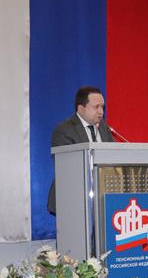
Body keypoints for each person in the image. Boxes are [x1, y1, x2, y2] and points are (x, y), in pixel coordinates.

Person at [46, 86, 115, 214]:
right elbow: (65, 167)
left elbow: (114, 157)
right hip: (71, 197)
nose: (101, 112)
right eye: (96, 107)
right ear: (81, 108)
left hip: (102, 197)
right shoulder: (64, 130)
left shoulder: (104, 128)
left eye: (102, 107)